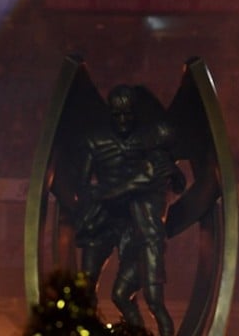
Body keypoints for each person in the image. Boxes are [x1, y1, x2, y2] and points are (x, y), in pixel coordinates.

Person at [73, 84, 184, 336]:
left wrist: (171, 176)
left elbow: (170, 175)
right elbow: (82, 184)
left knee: (125, 294)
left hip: (133, 224)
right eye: (117, 114)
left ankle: (137, 332)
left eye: (128, 114)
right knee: (87, 282)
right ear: (109, 113)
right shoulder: (95, 140)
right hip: (102, 218)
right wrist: (95, 198)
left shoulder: (147, 140)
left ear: (136, 113)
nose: (122, 119)